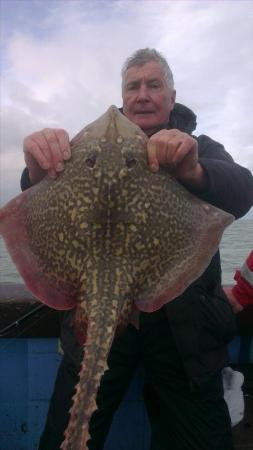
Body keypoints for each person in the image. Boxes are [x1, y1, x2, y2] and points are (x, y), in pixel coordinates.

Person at [20, 48, 253, 450]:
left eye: (153, 85)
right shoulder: (84, 150)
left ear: (172, 95)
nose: (142, 94)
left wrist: (193, 169)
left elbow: (241, 189)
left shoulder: (200, 147)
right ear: (123, 97)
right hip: (95, 319)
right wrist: (35, 169)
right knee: (65, 428)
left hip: (187, 334)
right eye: (133, 86)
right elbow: (38, 200)